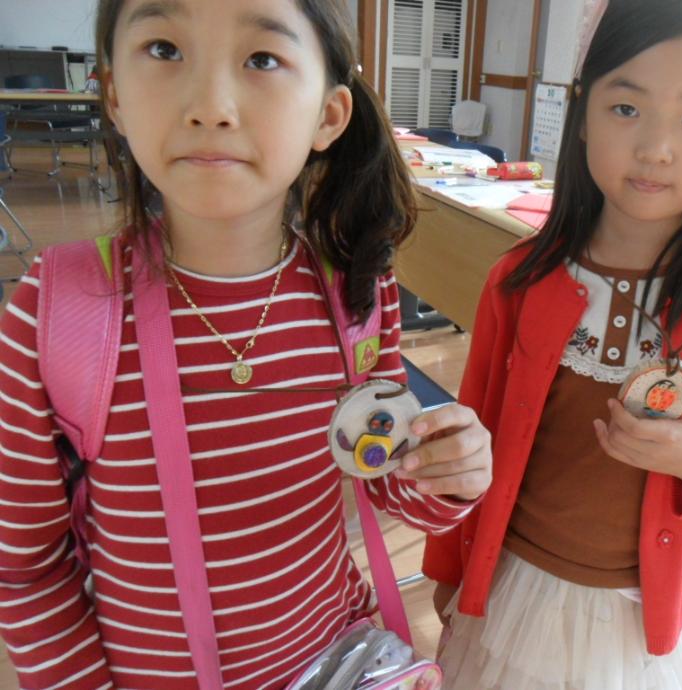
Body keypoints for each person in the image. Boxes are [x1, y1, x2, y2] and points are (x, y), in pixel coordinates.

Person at [0, 1, 492, 687]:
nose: (210, 106)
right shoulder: (59, 308)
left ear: (328, 116)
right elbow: (24, 570)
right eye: (165, 49)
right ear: (113, 94)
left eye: (262, 58)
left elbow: (384, 474)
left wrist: (450, 475)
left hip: (330, 659)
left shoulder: (355, 290)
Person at [423, 1, 682, 688]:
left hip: (638, 620)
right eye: (626, 108)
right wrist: (449, 570)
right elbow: (471, 439)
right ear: (582, 113)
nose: (656, 148)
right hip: (511, 588)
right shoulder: (520, 278)